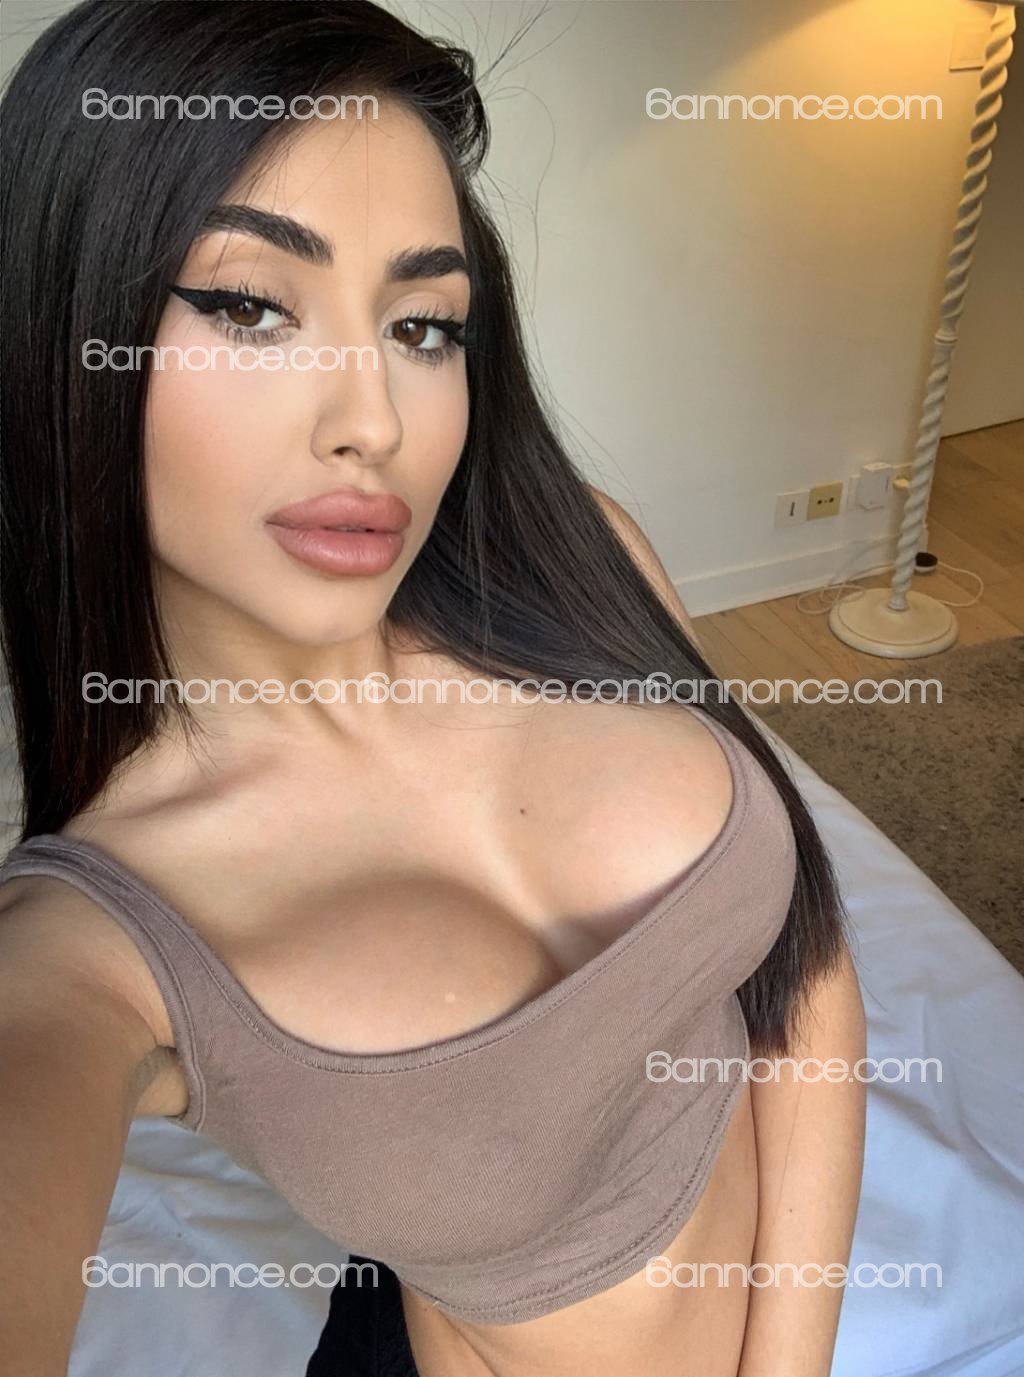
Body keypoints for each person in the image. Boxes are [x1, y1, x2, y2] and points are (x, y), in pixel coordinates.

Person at [0, 3, 866, 1374]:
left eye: (421, 326)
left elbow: (800, 967)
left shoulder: (582, 557)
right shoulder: (95, 947)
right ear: (66, 336)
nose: (375, 422)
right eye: (250, 308)